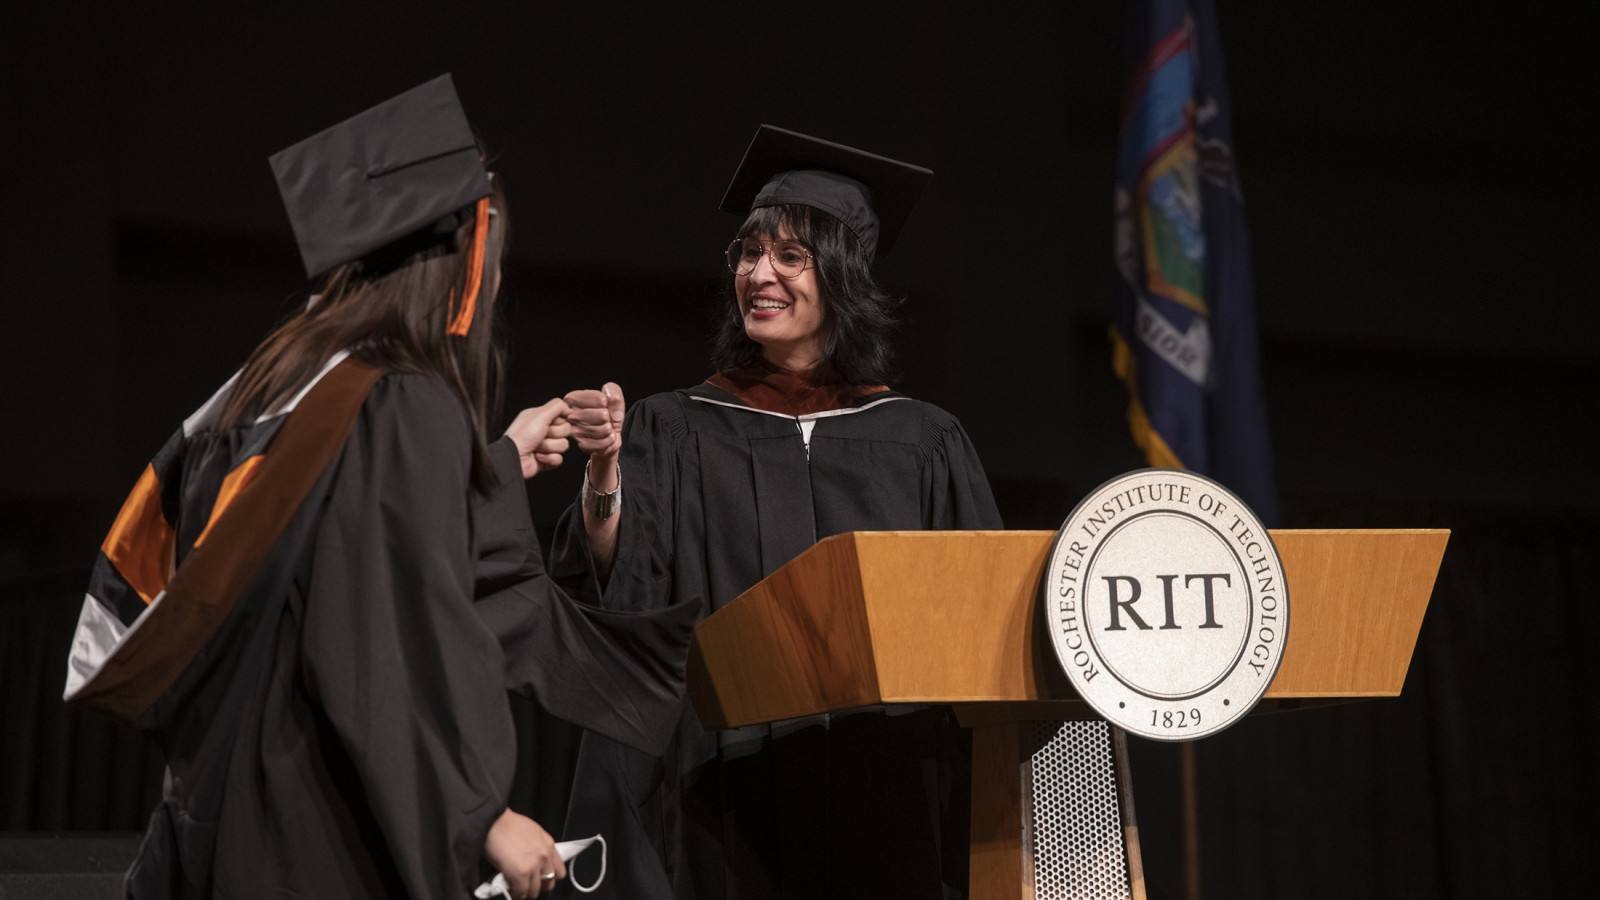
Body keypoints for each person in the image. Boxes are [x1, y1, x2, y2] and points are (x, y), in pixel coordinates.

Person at [62, 75, 692, 900]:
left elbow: (325, 549)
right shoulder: (402, 401)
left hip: (219, 815)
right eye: (490, 260)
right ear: (457, 268)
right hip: (317, 828)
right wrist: (480, 815)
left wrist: (493, 462)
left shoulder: (272, 388)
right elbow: (382, 632)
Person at [552, 125, 1003, 900]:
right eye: (749, 253)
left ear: (843, 274)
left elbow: (982, 624)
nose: (761, 274)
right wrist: (604, 473)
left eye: (791, 256)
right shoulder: (676, 425)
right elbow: (620, 581)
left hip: (886, 795)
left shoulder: (921, 440)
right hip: (721, 801)